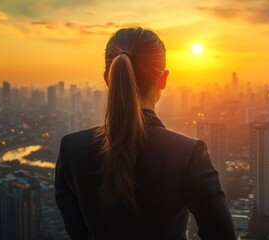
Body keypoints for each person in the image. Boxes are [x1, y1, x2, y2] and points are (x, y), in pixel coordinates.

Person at [54, 27, 236, 239]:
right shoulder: (188, 154)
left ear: (107, 79)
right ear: (163, 79)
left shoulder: (72, 150)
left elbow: (78, 232)